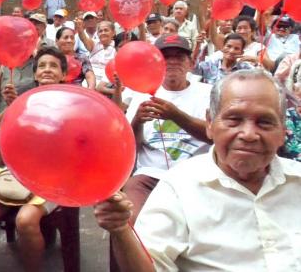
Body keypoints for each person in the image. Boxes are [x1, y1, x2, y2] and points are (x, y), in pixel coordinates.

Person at [95, 69, 301, 271]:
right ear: (210, 124)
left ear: (283, 131)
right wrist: (120, 229)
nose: (248, 134)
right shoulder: (179, 188)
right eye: (234, 120)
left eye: (264, 122)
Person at [0, 46, 67, 272]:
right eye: (42, 65)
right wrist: (14, 106)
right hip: (17, 174)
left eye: (53, 66)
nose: (47, 70)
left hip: (54, 178)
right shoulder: (26, 99)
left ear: (63, 74)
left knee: (25, 221)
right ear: (35, 74)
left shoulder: (71, 102)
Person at [123, 34, 212, 223]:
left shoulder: (208, 93)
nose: (172, 62)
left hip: (197, 175)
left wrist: (176, 115)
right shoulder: (141, 93)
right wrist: (137, 121)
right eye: (165, 58)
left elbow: (216, 135)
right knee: (127, 221)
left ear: (191, 63)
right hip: (149, 175)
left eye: (179, 57)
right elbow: (130, 147)